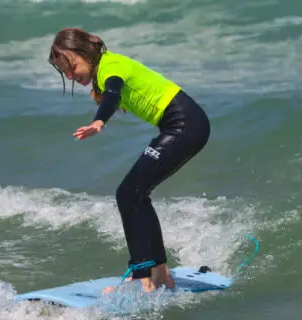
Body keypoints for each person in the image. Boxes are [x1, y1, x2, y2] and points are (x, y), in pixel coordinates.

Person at [46, 27, 211, 293]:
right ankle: (159, 273)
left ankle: (141, 276)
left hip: (184, 125)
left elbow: (113, 92)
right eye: (65, 73)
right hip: (184, 125)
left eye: (72, 67)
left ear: (84, 53)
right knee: (135, 193)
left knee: (128, 193)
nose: (71, 76)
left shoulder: (111, 66)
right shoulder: (108, 66)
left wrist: (99, 120)